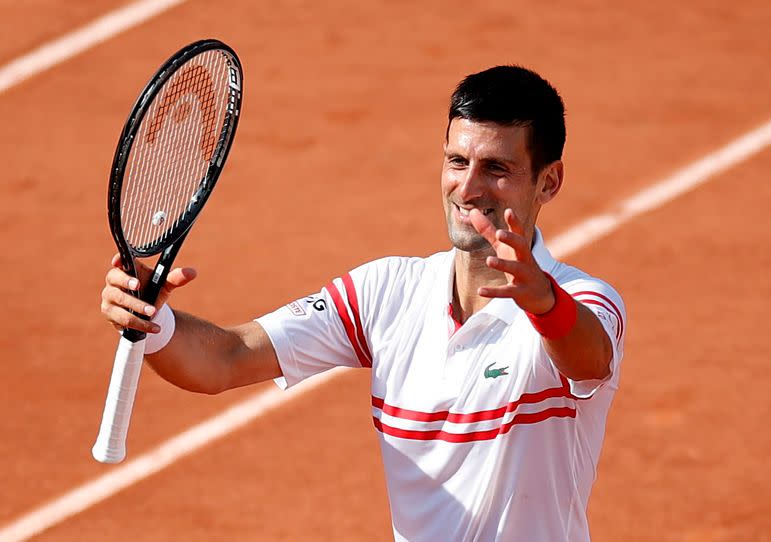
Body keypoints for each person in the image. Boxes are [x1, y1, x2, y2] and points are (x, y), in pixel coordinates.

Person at [100, 65, 626, 542]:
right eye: (457, 161)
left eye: (496, 169)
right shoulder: (387, 293)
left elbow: (587, 357)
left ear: (548, 182)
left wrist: (542, 305)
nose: (467, 188)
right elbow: (227, 357)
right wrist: (153, 319)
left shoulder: (582, 300)